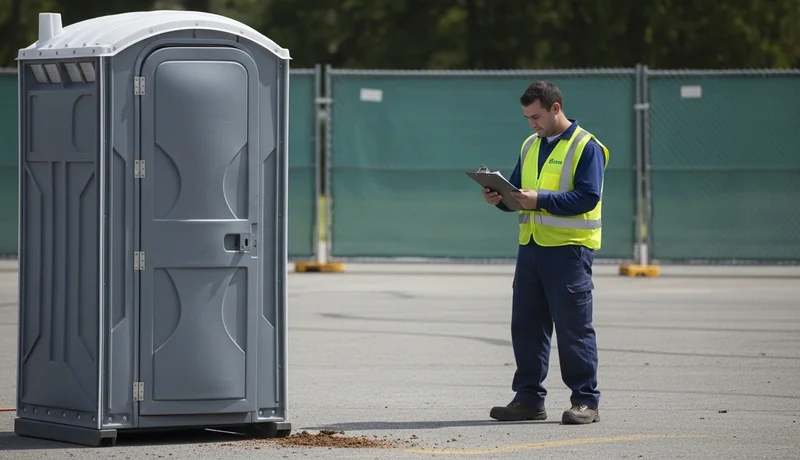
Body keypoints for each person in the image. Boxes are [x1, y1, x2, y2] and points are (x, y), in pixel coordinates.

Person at [483, 81, 609, 425]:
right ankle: (528, 400)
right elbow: (518, 193)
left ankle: (586, 401)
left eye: (536, 116)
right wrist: (501, 200)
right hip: (532, 250)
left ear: (556, 108)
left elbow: (587, 197)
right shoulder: (530, 144)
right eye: (527, 117)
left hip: (569, 253)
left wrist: (540, 200)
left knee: (573, 329)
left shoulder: (587, 146)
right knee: (526, 327)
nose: (532, 123)